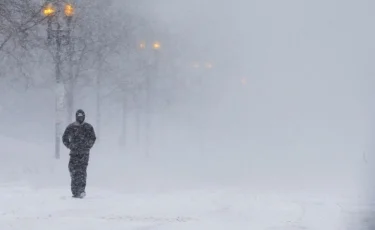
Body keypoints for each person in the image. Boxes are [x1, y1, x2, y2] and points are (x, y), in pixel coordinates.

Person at [62, 109, 96, 198]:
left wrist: (87, 146)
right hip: (74, 153)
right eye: (79, 116)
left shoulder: (88, 127)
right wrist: (70, 146)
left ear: (84, 116)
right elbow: (64, 138)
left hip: (84, 154)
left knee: (82, 171)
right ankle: (75, 191)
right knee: (73, 170)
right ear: (76, 116)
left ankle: (81, 190)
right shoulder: (71, 127)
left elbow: (93, 138)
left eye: (82, 116)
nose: (80, 118)